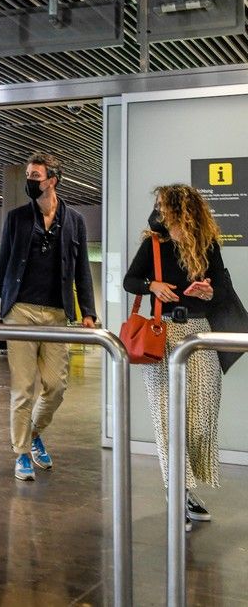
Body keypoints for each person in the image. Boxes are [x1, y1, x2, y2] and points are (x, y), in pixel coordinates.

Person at [0, 152, 97, 481]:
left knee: (56, 386)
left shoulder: (74, 221)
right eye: (28, 176)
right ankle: (21, 453)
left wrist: (87, 311)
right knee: (23, 387)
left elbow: (82, 271)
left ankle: (33, 433)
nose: (30, 182)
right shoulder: (17, 218)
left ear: (52, 180)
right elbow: (2, 263)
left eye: (35, 176)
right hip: (21, 311)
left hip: (58, 312)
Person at [123, 184, 225, 532]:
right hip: (163, 333)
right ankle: (177, 492)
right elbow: (130, 280)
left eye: (162, 204)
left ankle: (188, 486)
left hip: (200, 332)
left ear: (181, 209)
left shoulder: (207, 244)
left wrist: (209, 291)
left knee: (199, 420)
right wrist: (152, 286)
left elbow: (221, 287)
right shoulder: (154, 243)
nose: (157, 210)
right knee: (168, 420)